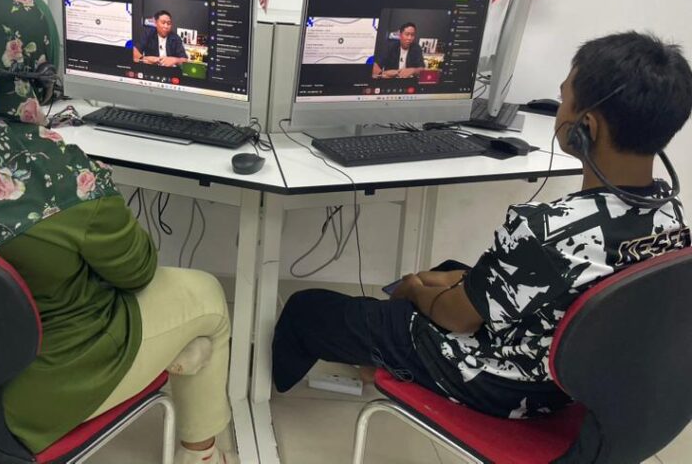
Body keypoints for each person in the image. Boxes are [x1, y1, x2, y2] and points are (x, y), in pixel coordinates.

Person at [0, 0, 237, 464]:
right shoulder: (63, 175)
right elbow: (138, 271)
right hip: (19, 402)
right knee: (207, 296)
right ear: (40, 72)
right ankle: (200, 454)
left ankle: (181, 365)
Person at [274, 31, 691, 419]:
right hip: (571, 379)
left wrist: (415, 289)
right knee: (446, 271)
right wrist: (446, 283)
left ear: (588, 126)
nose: (559, 110)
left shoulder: (545, 230)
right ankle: (387, 348)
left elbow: (458, 319)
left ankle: (265, 393)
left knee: (307, 308)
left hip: (501, 384)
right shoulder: (671, 217)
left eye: (563, 98)